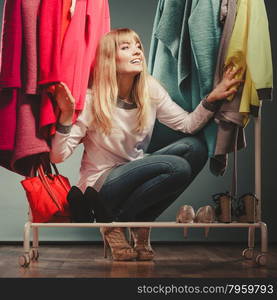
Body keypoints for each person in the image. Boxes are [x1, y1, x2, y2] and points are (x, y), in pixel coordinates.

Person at [50, 28, 242, 261]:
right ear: (109, 58)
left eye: (138, 46)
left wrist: (213, 98)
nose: (137, 51)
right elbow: (57, 157)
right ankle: (114, 225)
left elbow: (188, 124)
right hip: (102, 186)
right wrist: (66, 117)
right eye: (126, 47)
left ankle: (138, 225)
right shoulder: (93, 98)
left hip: (136, 176)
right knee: (177, 167)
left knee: (195, 148)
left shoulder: (149, 89)